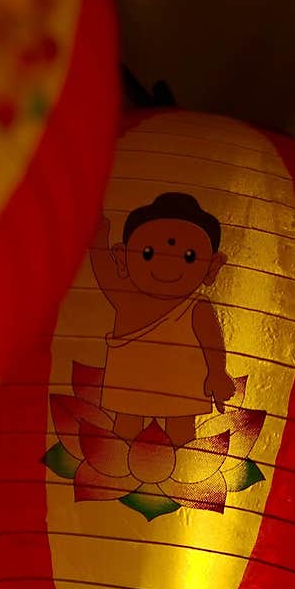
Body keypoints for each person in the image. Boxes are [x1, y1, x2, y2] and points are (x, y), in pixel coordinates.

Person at [90, 192, 236, 448]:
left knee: (181, 431)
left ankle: (185, 471)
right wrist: (97, 236)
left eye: (189, 256)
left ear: (212, 267)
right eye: (148, 253)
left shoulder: (196, 307)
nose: (168, 264)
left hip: (181, 382)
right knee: (126, 426)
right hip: (132, 382)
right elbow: (102, 266)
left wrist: (216, 373)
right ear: (123, 258)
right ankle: (115, 471)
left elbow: (211, 342)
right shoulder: (126, 297)